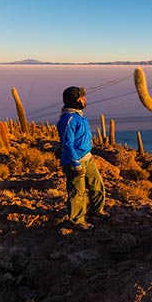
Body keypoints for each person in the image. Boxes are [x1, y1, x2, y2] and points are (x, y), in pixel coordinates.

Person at [57, 86, 107, 230]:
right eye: (81, 97)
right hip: (75, 161)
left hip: (87, 158)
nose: (84, 99)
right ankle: (76, 220)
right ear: (74, 101)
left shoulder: (78, 115)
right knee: (77, 191)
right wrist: (75, 163)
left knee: (97, 184)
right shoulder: (68, 119)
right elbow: (67, 143)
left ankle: (97, 210)